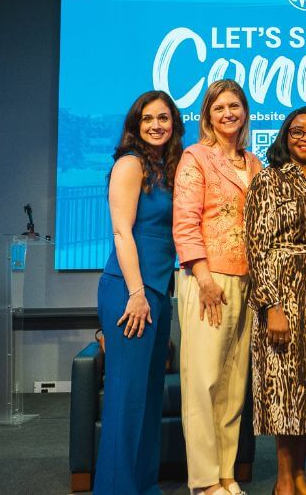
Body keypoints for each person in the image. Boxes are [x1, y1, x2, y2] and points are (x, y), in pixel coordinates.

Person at [245, 106, 306, 495]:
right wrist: (272, 306)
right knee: (283, 389)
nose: (305, 138)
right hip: (283, 294)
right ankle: (283, 480)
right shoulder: (268, 181)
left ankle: (301, 475)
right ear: (285, 136)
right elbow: (257, 246)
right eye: (297, 131)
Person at [173, 79, 261, 495]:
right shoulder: (196, 157)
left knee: (232, 384)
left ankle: (226, 473)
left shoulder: (254, 163)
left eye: (235, 106)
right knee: (203, 383)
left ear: (245, 112)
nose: (228, 113)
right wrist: (204, 278)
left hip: (247, 282)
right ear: (207, 115)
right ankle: (205, 481)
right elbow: (186, 222)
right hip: (206, 280)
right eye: (219, 107)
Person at [94, 90, 184, 495]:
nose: (156, 125)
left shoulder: (167, 168)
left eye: (163, 118)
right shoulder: (130, 164)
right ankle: (116, 489)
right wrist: (136, 293)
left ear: (174, 123)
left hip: (158, 293)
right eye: (148, 118)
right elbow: (121, 232)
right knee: (126, 400)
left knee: (147, 397)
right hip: (131, 292)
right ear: (136, 125)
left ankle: (143, 484)